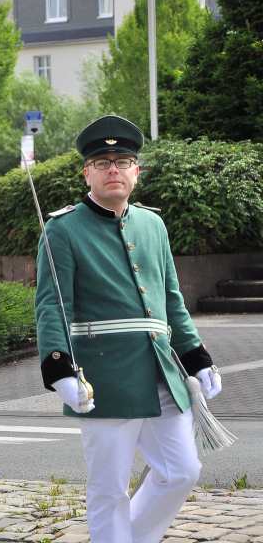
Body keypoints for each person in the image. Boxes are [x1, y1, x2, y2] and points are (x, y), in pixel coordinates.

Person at [35, 115, 223, 543]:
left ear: (137, 170)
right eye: (102, 162)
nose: (113, 169)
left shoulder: (151, 224)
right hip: (104, 377)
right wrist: (59, 367)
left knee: (182, 471)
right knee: (109, 488)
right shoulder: (62, 229)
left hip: (161, 370)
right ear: (87, 172)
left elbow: (170, 298)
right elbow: (52, 304)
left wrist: (196, 356)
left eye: (122, 161)